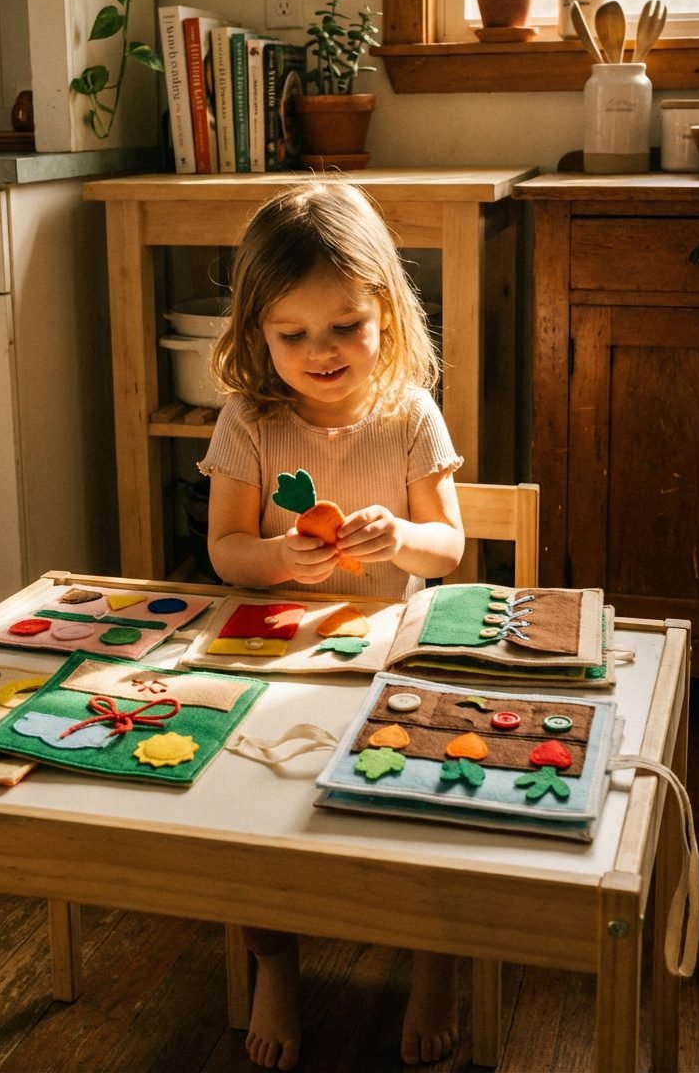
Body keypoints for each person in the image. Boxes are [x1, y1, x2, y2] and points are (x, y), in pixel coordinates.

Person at [199, 179, 465, 1071]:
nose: (322, 352)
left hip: (396, 654)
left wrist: (404, 534)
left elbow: (450, 548)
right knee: (241, 808)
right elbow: (226, 554)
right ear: (255, 335)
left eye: (344, 325)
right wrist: (279, 557)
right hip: (279, 656)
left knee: (425, 807)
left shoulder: (408, 414)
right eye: (292, 334)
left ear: (385, 312)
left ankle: (436, 960)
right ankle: (274, 960)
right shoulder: (250, 419)